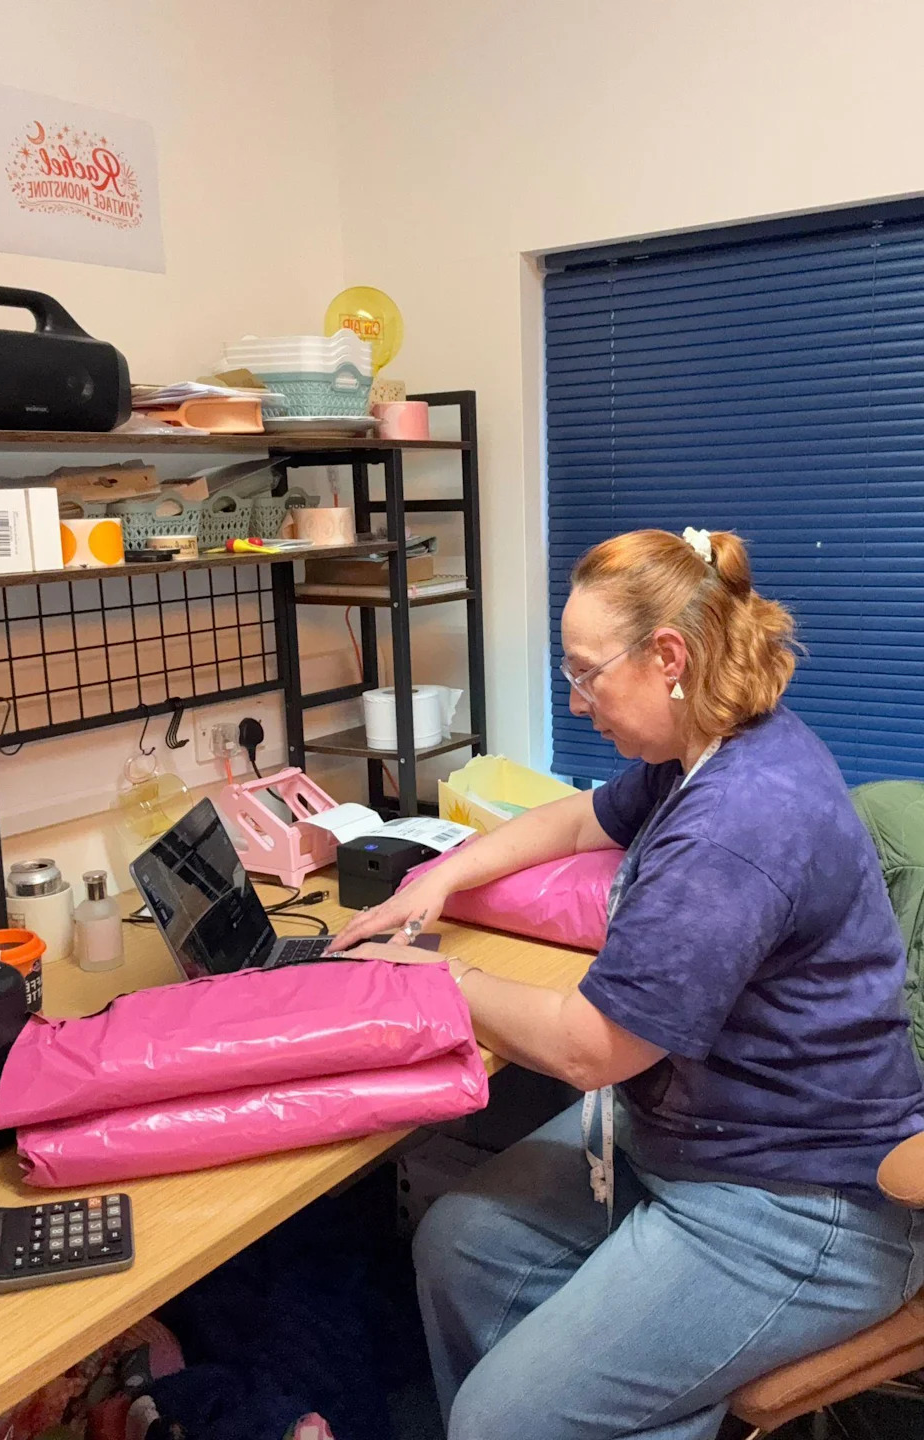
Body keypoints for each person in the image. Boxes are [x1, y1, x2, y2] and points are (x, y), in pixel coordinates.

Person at [327, 526, 924, 1440]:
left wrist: (428, 978)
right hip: (700, 1140)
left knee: (500, 1422)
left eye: (586, 673)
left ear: (670, 658)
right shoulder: (709, 750)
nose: (577, 702)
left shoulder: (736, 825)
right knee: (461, 1248)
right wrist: (439, 874)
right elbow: (576, 823)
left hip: (804, 1205)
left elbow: (587, 1048)